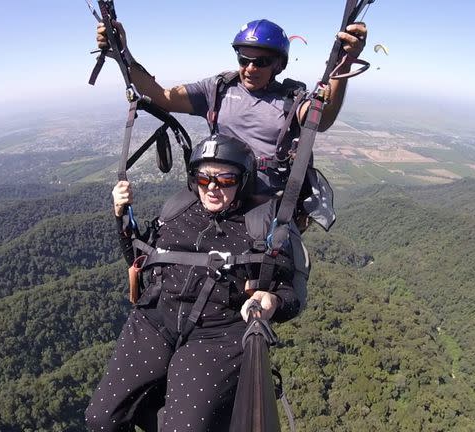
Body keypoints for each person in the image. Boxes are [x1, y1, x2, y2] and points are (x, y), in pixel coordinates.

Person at [85, 134, 306, 432]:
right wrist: (120, 215)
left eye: (226, 179)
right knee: (101, 420)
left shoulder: (259, 228)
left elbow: (290, 294)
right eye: (204, 179)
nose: (213, 188)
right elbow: (138, 259)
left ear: (243, 180)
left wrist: (272, 302)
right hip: (156, 319)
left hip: (217, 334)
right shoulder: (178, 211)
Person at [96, 18, 368, 196]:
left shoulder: (291, 98)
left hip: (266, 201)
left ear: (278, 65)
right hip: (217, 192)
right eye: (243, 59)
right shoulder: (217, 88)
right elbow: (162, 96)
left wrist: (344, 63)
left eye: (260, 62)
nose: (250, 68)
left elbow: (322, 120)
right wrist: (122, 53)